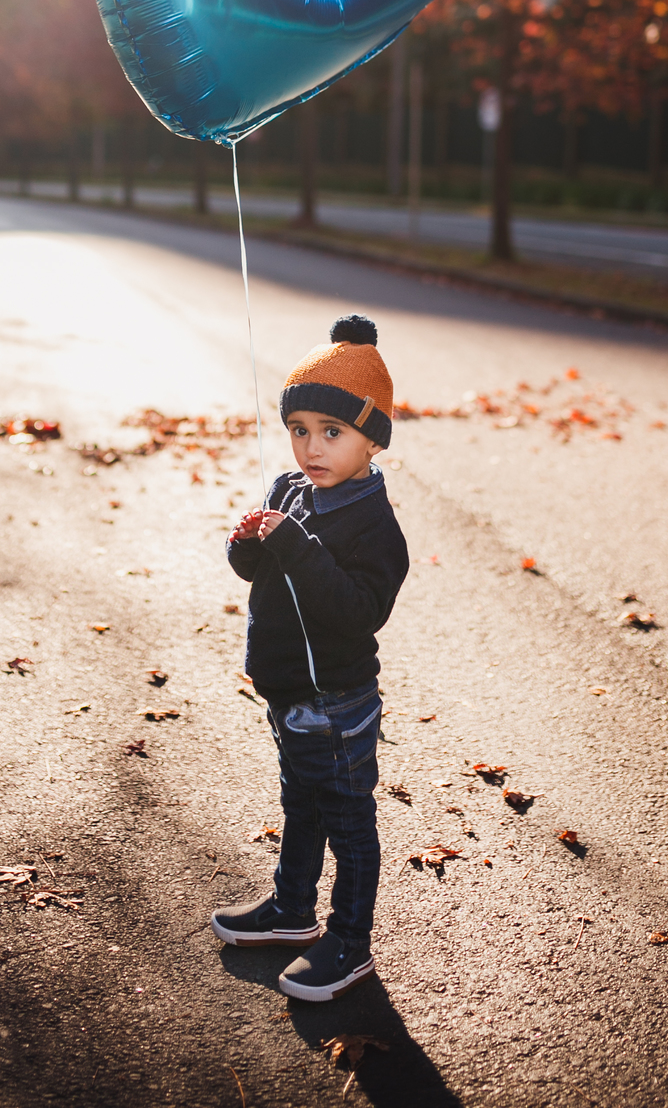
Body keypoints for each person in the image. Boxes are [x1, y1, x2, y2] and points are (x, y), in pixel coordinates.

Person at [212, 314, 409, 1003]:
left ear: (370, 441)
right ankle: (291, 910)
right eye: (300, 430)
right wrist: (249, 544)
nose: (311, 448)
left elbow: (355, 610)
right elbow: (257, 573)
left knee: (349, 821)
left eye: (332, 433)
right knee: (301, 804)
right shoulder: (289, 492)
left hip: (337, 702)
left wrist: (295, 546)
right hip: (287, 694)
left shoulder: (375, 527)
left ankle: (349, 942)